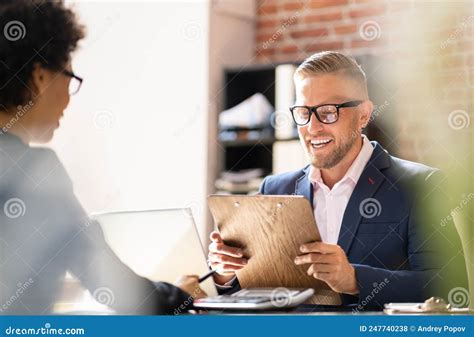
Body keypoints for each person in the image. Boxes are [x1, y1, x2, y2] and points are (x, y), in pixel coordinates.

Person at [208, 51, 468, 309]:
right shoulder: (275, 189)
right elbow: (257, 292)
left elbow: (447, 288)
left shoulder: (421, 186)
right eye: (303, 112)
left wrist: (354, 279)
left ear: (364, 115)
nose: (312, 128)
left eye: (328, 112)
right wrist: (226, 273)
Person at [0, 0, 204, 315]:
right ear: (40, 76)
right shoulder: (35, 171)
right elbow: (121, 293)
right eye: (69, 76)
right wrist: (180, 295)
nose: (68, 96)